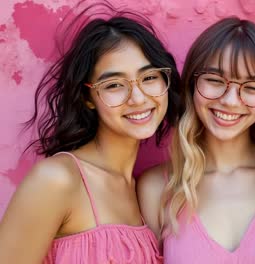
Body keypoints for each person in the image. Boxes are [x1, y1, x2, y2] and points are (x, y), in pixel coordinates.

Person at [0, 3, 181, 263]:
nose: (138, 97)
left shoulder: (143, 192)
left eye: (149, 77)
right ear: (88, 97)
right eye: (114, 84)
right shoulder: (57, 180)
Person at [138, 17, 255, 263]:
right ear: (192, 83)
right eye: (215, 80)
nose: (231, 101)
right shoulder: (156, 188)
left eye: (251, 87)